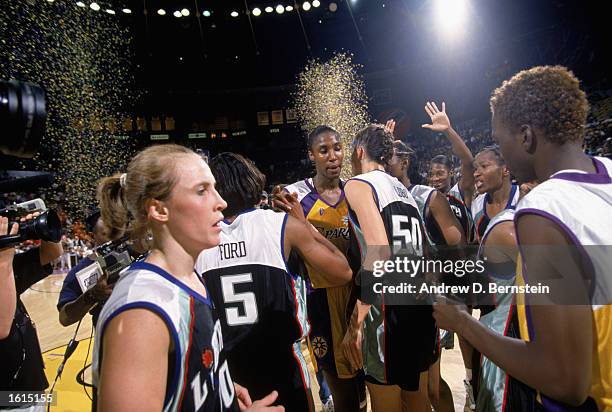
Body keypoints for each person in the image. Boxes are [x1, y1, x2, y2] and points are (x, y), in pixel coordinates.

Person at [433, 65, 612, 411]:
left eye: (501, 141)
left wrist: (462, 323)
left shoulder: (544, 209)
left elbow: (566, 380)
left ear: (526, 137)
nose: (502, 153)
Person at [92, 144, 281, 411]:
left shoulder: (187, 276)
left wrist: (217, 388)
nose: (221, 202)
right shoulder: (142, 312)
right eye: (202, 191)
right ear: (159, 210)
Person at [197, 152, 352, 412]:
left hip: (227, 376)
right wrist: (304, 224)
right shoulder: (282, 225)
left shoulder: (198, 239)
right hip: (281, 369)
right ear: (252, 181)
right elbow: (342, 271)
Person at [342, 124, 436, 412]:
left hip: (387, 313)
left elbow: (379, 252)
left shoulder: (359, 184)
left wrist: (357, 320)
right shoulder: (404, 191)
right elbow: (428, 253)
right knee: (417, 402)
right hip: (418, 307)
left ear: (359, 152)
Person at [276, 125, 366, 412]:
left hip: (359, 300)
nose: (333, 156)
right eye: (324, 150)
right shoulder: (295, 196)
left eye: (337, 148)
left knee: (365, 387)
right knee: (344, 396)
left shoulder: (356, 192)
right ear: (311, 155)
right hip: (321, 302)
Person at [386, 137, 465, 412]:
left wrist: (435, 276)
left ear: (405, 162)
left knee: (430, 384)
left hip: (427, 304)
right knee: (404, 387)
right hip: (396, 306)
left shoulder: (427, 196)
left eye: (389, 157)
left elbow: (459, 246)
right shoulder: (380, 196)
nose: (383, 162)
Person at [0, 212, 63, 399]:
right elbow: (2, 328)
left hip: (32, 390)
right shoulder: (4, 266)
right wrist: (4, 260)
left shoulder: (8, 267)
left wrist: (45, 227)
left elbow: (52, 252)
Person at [57, 210, 113, 327]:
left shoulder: (137, 251)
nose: (114, 238)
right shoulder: (83, 268)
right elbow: (64, 318)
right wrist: (91, 296)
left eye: (117, 232)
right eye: (107, 234)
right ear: (92, 236)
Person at [471, 146, 520, 243]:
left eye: (484, 166)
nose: (475, 174)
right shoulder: (477, 206)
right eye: (475, 169)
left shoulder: (523, 198)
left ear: (505, 169)